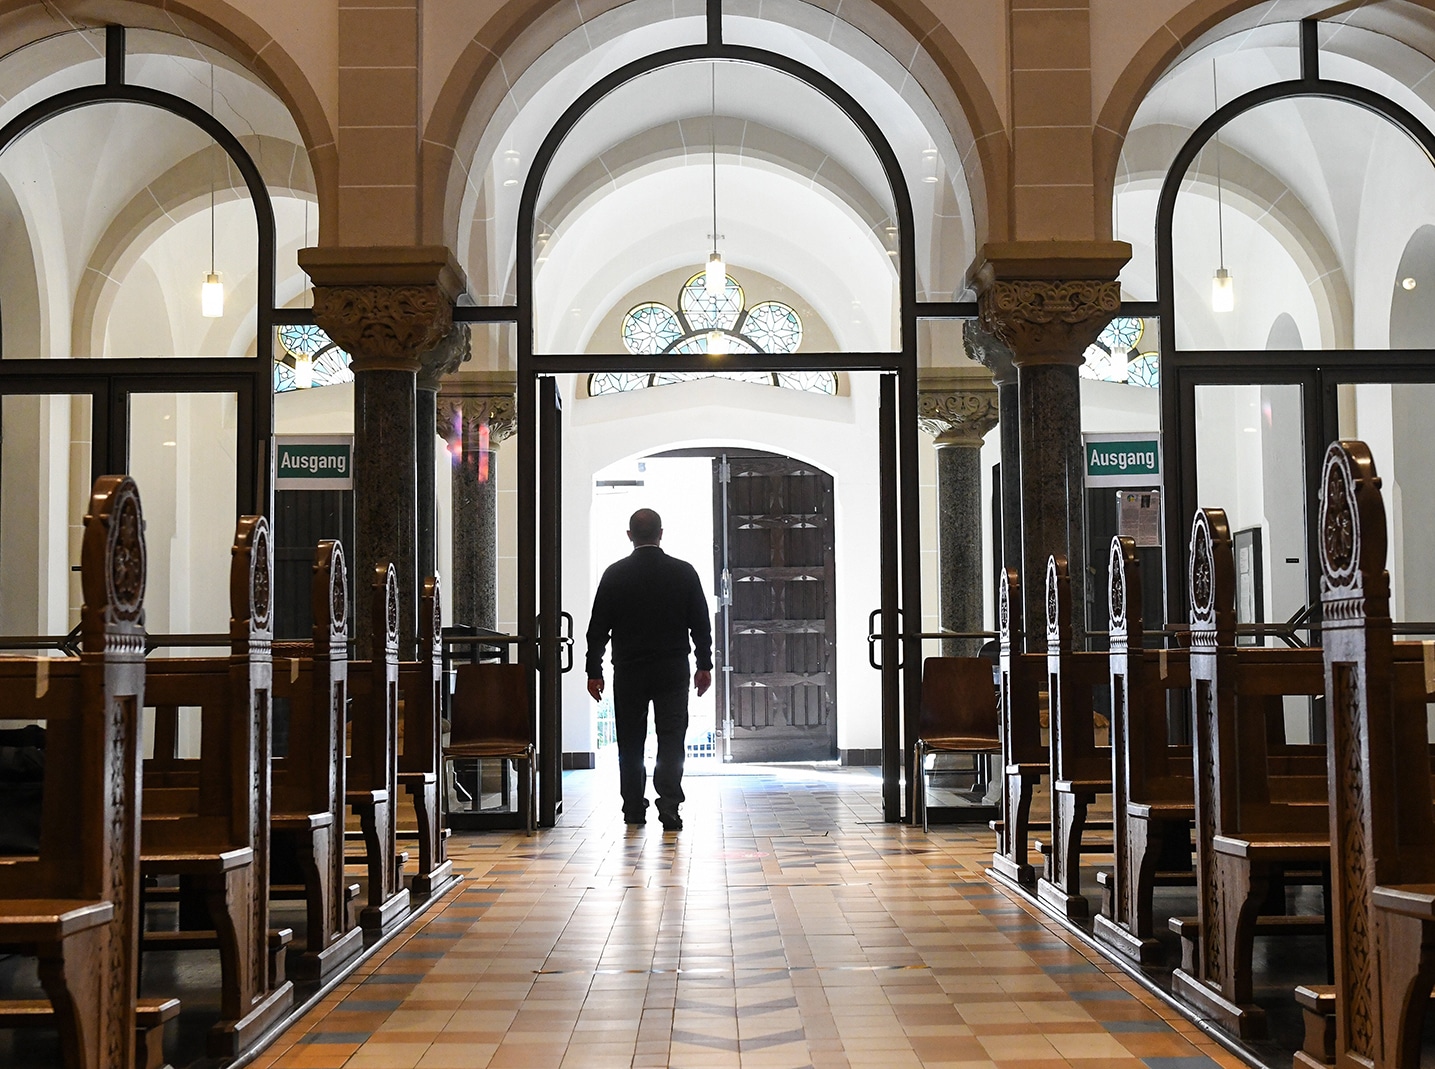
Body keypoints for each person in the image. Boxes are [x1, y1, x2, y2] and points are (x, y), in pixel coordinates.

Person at [586, 508, 712, 831]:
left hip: (629, 670)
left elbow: (598, 628)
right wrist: (703, 664)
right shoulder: (684, 573)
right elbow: (700, 623)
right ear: (661, 533)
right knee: (672, 738)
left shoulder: (614, 575)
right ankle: (669, 805)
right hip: (672, 669)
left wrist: (594, 670)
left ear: (630, 536)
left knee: (630, 740)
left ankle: (632, 807)